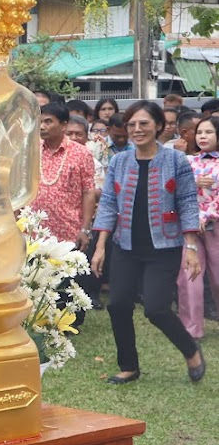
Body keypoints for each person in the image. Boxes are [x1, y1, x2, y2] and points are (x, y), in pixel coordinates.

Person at [92, 100, 205, 384]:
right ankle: (129, 366)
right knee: (117, 304)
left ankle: (191, 350)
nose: (137, 129)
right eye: (131, 124)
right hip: (125, 244)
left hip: (164, 246)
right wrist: (101, 246)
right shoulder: (119, 161)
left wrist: (191, 247)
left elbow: (188, 202)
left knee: (155, 308)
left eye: (143, 123)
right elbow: (107, 203)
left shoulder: (175, 160)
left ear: (157, 125)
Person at [31, 103, 97, 249]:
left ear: (63, 125)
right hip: (35, 233)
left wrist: (85, 229)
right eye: (40, 122)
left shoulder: (81, 153)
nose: (42, 127)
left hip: (68, 232)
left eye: (48, 122)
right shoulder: (32, 150)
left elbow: (88, 192)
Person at [179, 116, 219, 343]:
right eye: (200, 132)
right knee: (189, 276)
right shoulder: (187, 162)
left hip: (216, 226)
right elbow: (178, 192)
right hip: (191, 228)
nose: (203, 136)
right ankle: (191, 328)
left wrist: (206, 214)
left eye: (209, 132)